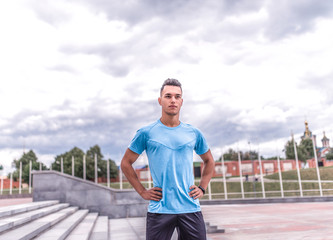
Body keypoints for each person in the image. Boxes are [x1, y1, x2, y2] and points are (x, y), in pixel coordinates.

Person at [121, 78, 215, 240]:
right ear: (160, 100)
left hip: (190, 207)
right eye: (168, 96)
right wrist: (142, 191)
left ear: (182, 101)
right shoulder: (146, 133)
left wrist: (202, 188)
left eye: (177, 96)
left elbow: (209, 161)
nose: (173, 100)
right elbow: (125, 163)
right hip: (160, 209)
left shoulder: (193, 133)